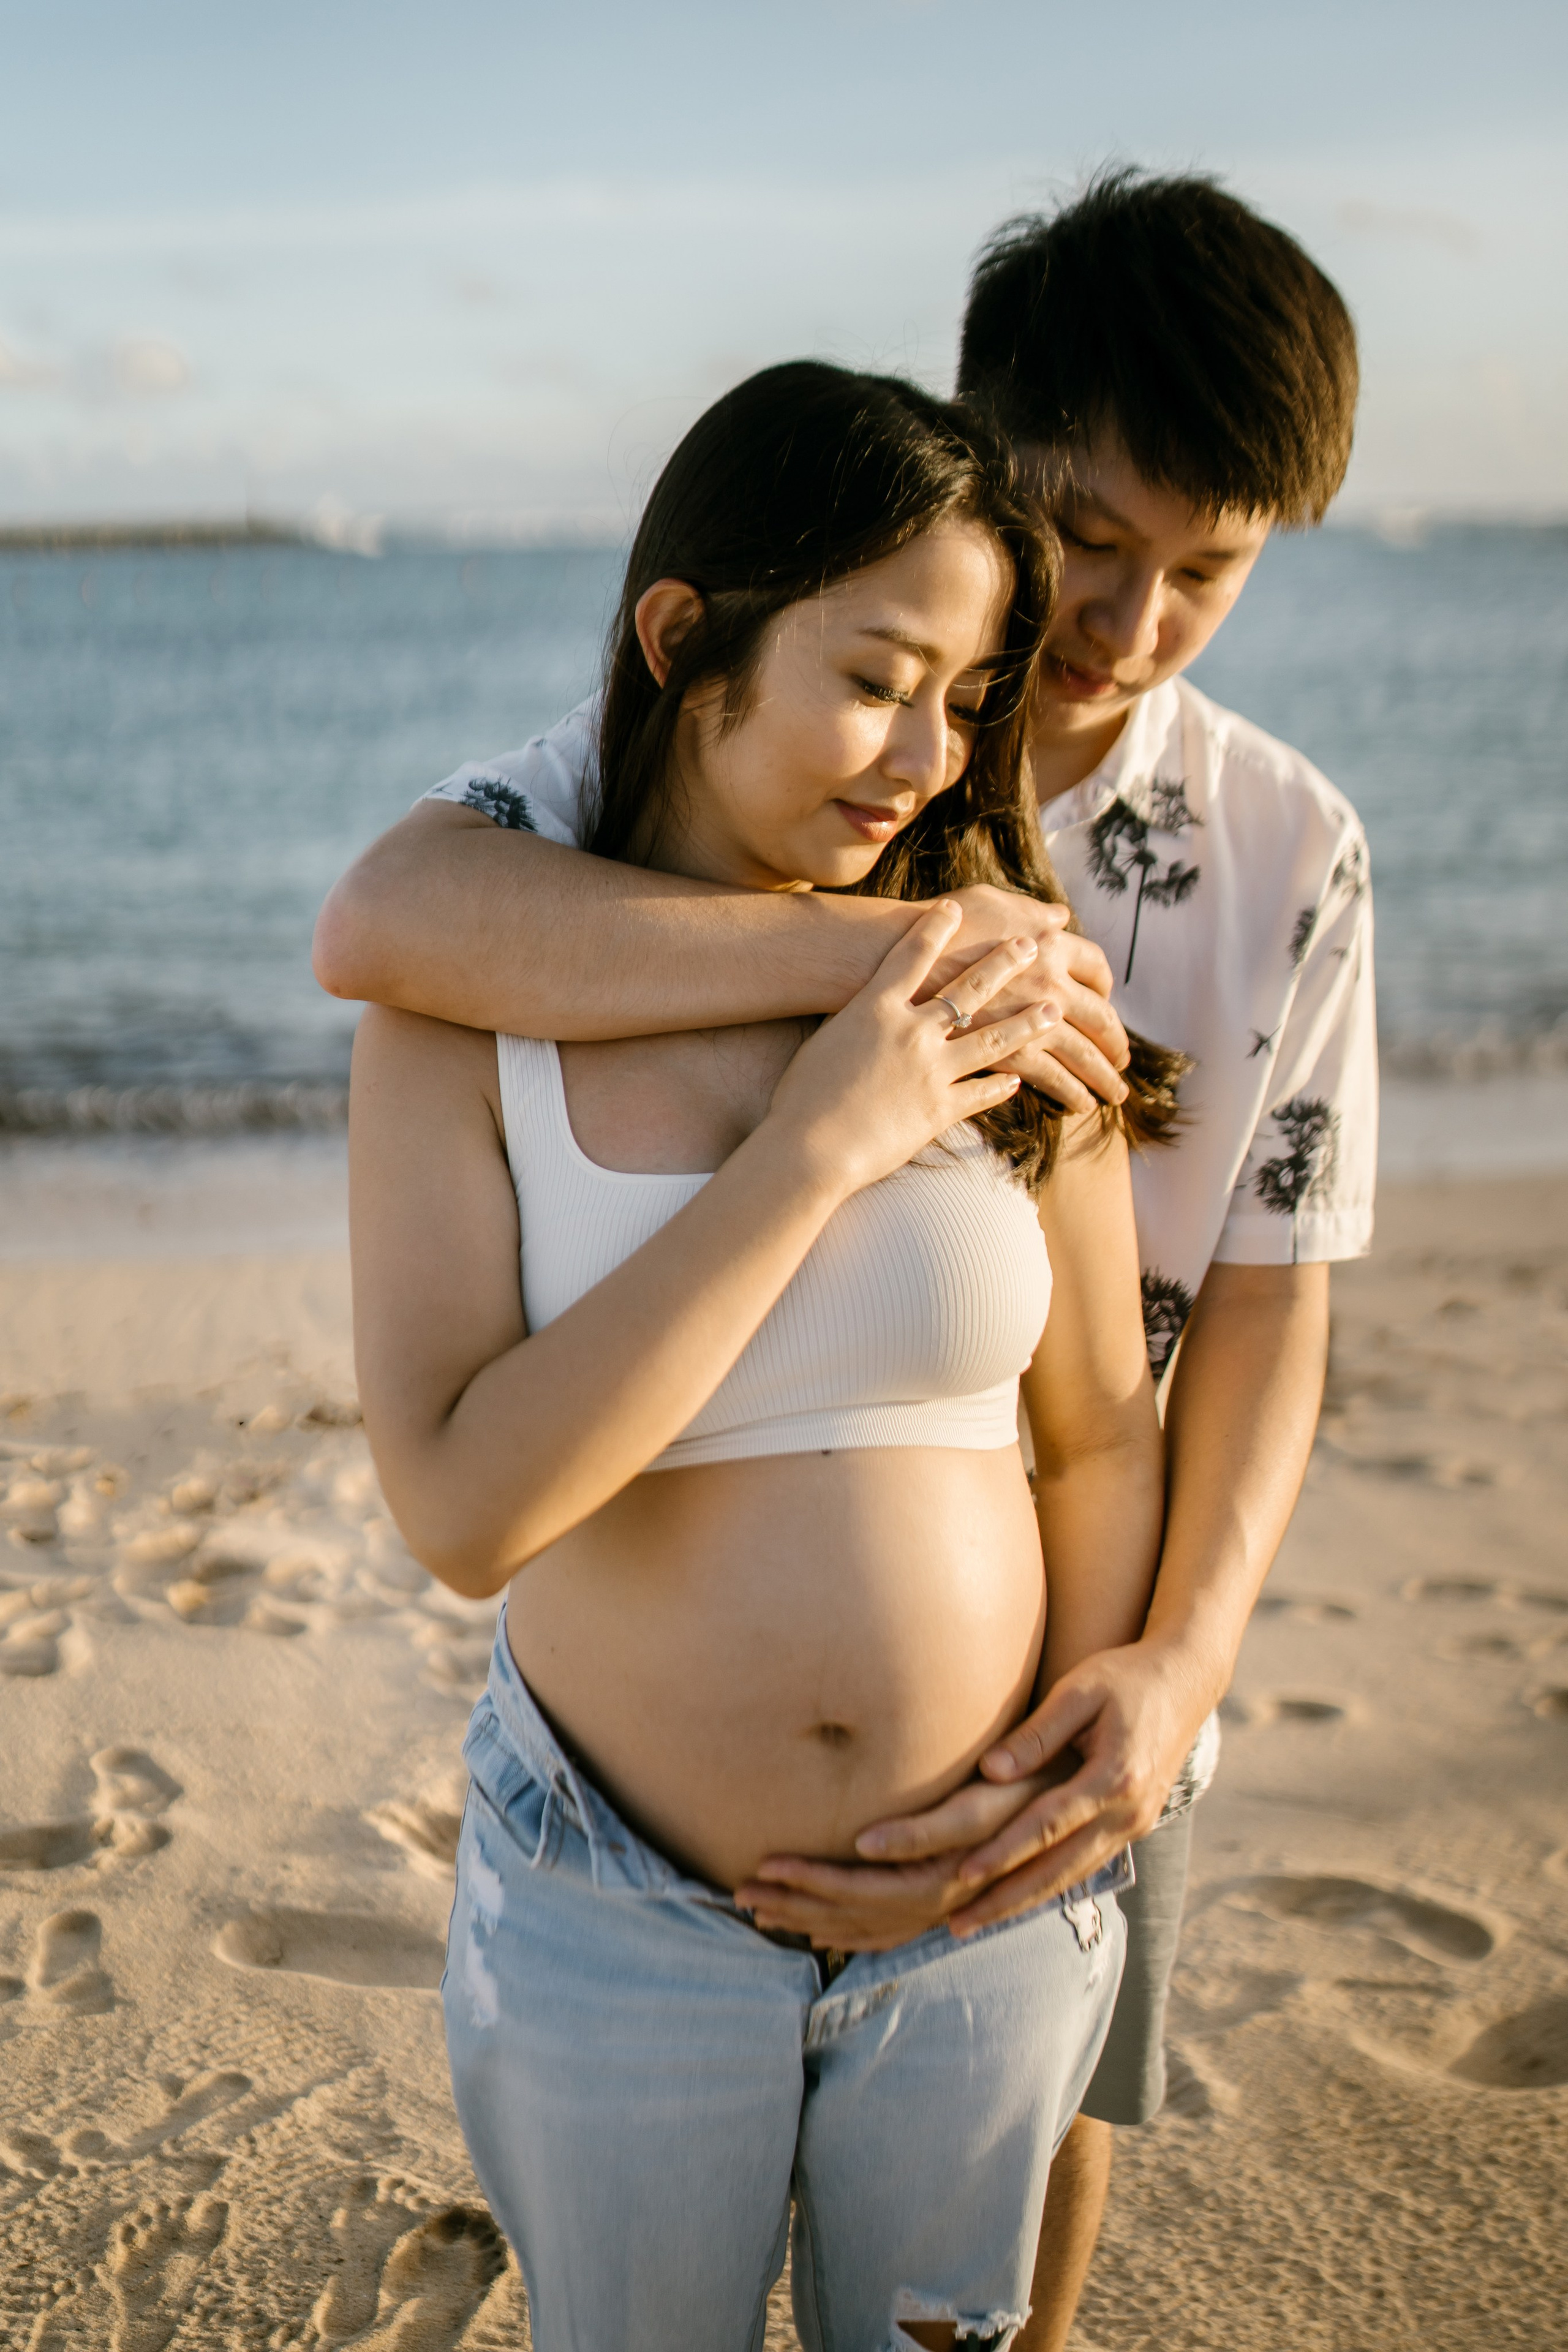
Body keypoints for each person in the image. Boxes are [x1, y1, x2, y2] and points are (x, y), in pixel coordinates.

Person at [317, 172, 1376, 2350]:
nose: (1131, 621)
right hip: (636, 1863)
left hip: (1086, 1678)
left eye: (1211, 569)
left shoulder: (1282, 845)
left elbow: (1240, 1319)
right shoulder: (619, 824)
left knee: (1039, 2206)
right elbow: (390, 928)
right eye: (1093, 542)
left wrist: (1155, 1687)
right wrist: (888, 978)